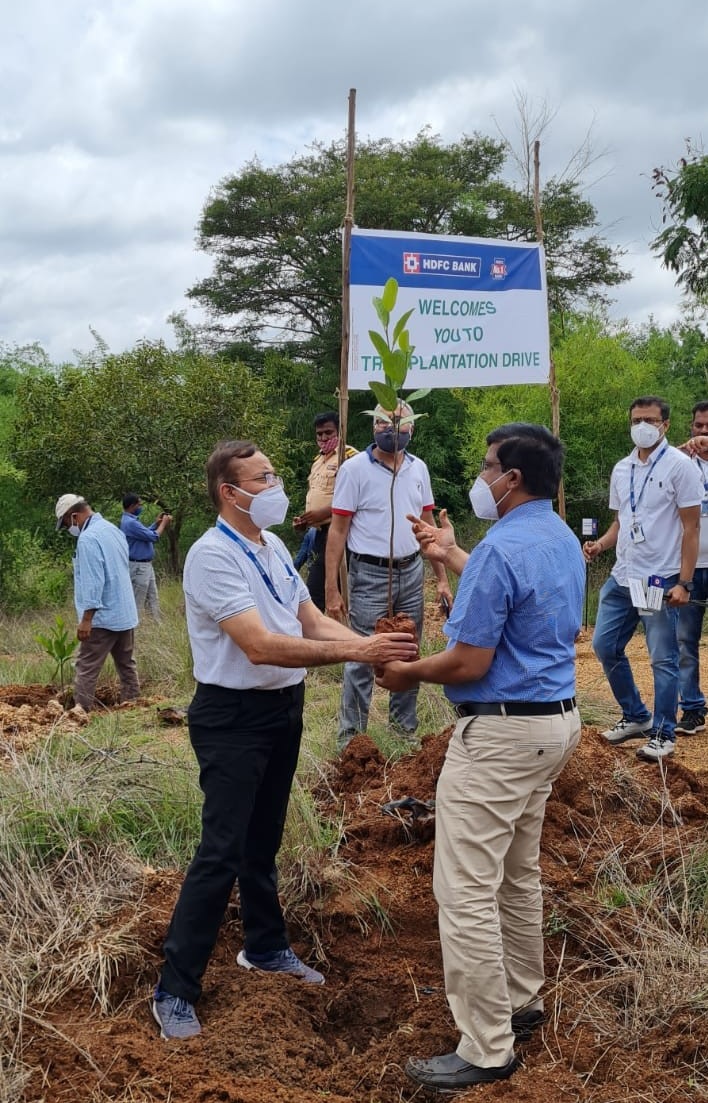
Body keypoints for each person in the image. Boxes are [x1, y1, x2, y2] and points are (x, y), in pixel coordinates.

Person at [152, 440, 417, 1041]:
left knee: (263, 836)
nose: (276, 485)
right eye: (263, 477)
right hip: (233, 716)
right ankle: (175, 987)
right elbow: (259, 644)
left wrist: (363, 642)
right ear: (230, 492)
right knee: (221, 849)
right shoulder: (210, 556)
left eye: (274, 473)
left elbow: (307, 618)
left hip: (282, 709)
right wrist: (359, 650)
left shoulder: (271, 546)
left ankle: (265, 947)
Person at [375, 423, 584, 1090]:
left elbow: (469, 659)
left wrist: (407, 674)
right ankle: (523, 999)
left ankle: (487, 1045)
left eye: (489, 465)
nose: (482, 476)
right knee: (518, 873)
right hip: (554, 725)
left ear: (512, 478)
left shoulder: (501, 549)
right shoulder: (558, 539)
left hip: (498, 738)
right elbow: (517, 590)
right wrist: (452, 553)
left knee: (464, 889)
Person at [325, 402, 453, 751]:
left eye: (399, 421)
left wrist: (441, 579)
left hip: (411, 570)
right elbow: (337, 531)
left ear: (412, 428)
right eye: (383, 420)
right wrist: (332, 588)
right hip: (368, 573)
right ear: (372, 426)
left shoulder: (418, 469)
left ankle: (403, 734)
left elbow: (429, 528)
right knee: (362, 655)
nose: (391, 427)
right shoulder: (353, 470)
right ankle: (351, 741)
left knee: (408, 652)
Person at [583, 396, 702, 762]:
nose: (642, 426)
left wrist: (683, 582)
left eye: (650, 419)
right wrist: (600, 545)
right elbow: (622, 522)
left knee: (662, 658)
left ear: (665, 424)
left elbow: (691, 527)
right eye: (636, 419)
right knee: (604, 646)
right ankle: (636, 715)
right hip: (623, 577)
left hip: (656, 580)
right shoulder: (622, 469)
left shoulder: (682, 468)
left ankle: (664, 732)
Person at [54, 493, 139, 710]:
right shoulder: (113, 530)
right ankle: (133, 705)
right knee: (126, 665)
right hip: (124, 613)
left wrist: (86, 619)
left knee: (87, 667)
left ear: (74, 516)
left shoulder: (89, 538)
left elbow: (94, 581)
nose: (68, 529)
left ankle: (80, 712)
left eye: (66, 523)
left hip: (102, 617)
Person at [292, 412, 357, 611]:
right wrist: (307, 521)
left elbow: (357, 499)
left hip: (340, 532)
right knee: (321, 591)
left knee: (316, 593)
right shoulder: (318, 461)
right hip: (319, 534)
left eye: (328, 433)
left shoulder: (349, 457)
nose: (323, 438)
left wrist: (324, 513)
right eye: (319, 434)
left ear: (340, 431)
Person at [675, 401, 708, 733]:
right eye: (698, 427)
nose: (702, 433)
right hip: (689, 567)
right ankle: (693, 708)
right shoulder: (678, 463)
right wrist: (683, 454)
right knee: (685, 641)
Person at [119, 493, 172, 621]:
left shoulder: (131, 521)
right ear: (132, 505)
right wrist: (163, 524)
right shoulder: (130, 523)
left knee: (152, 597)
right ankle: (133, 629)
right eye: (139, 504)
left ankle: (156, 625)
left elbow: (145, 533)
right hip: (139, 567)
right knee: (139, 600)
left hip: (145, 565)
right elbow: (153, 537)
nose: (140, 507)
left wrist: (155, 524)